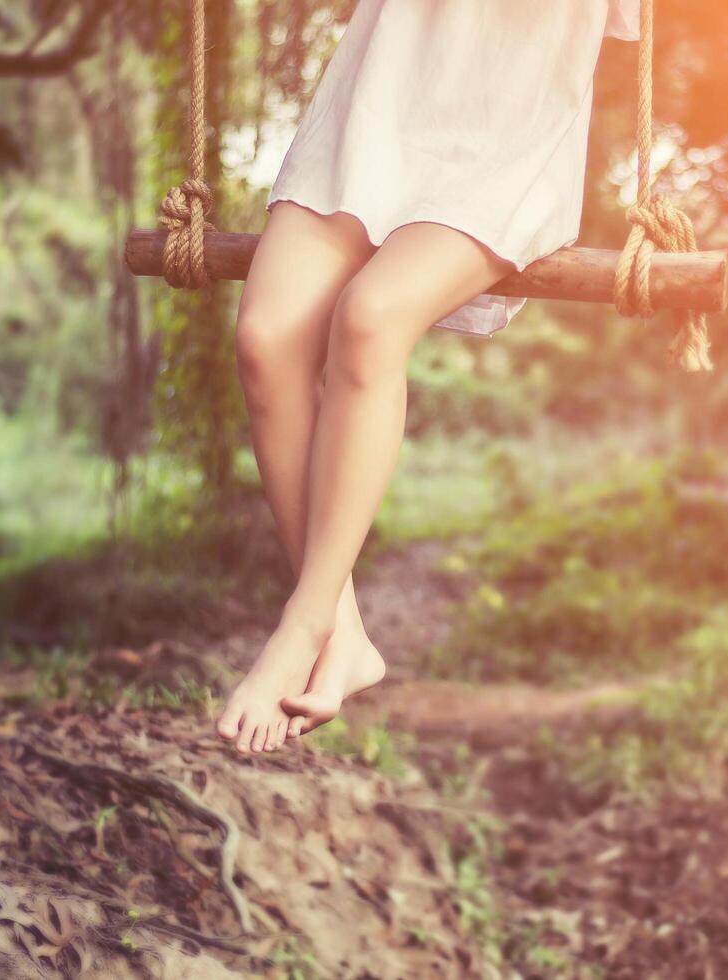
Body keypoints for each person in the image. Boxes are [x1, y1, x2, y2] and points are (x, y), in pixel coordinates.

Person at [215, 1, 640, 753]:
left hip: (505, 132)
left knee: (372, 318)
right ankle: (341, 632)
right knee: (264, 339)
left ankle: (303, 623)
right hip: (373, 102)